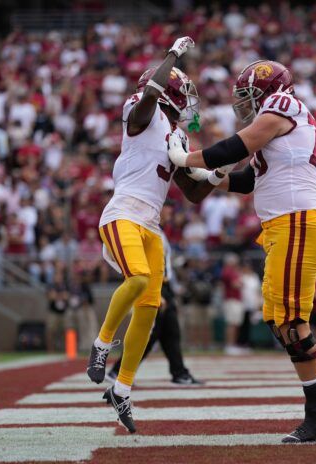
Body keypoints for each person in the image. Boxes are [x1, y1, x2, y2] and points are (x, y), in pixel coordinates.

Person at [168, 60, 316, 443]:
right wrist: (208, 178)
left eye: (250, 95)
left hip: (296, 223)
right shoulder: (282, 120)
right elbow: (248, 178)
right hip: (283, 228)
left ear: (269, 90)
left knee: (289, 319)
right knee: (275, 317)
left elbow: (237, 146)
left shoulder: (285, 105)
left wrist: (187, 158)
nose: (246, 104)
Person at [85, 36, 220, 434]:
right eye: (184, 91)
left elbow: (192, 193)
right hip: (123, 211)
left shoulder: (178, 135)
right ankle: (102, 344)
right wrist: (173, 54)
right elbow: (150, 93)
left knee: (151, 306)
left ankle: (122, 387)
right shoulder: (142, 112)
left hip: (150, 225)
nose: (189, 99)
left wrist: (214, 174)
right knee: (139, 279)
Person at [107, 207, 202, 386]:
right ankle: (119, 371)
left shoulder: (158, 231)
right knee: (149, 334)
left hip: (164, 286)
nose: (170, 213)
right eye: (166, 209)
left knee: (170, 333)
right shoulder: (145, 230)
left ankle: (179, 372)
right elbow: (144, 265)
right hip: (156, 288)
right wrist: (157, 291)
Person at [221, 253, 245, 355]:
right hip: (231, 300)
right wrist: (240, 283)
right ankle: (229, 345)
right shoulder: (228, 271)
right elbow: (235, 285)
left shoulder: (232, 271)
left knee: (235, 324)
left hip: (235, 300)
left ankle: (233, 345)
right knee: (232, 323)